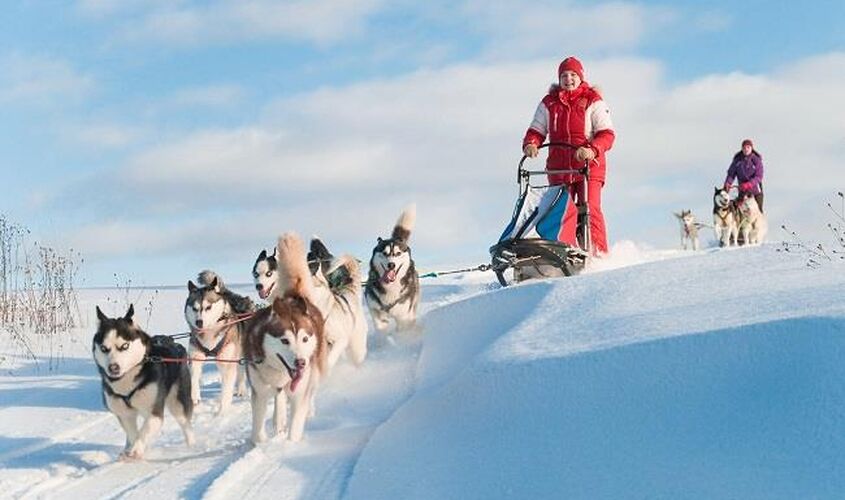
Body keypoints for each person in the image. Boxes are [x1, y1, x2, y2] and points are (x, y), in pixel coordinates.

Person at [522, 56, 615, 255]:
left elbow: (607, 134)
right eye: (564, 75)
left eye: (573, 75)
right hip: (559, 168)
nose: (569, 79)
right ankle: (562, 251)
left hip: (588, 166)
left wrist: (592, 149)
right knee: (559, 211)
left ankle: (598, 253)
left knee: (589, 208)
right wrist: (531, 143)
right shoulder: (549, 103)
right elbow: (536, 130)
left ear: (581, 77)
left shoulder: (592, 100)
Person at [724, 138, 764, 211]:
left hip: (755, 190)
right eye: (744, 148)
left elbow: (759, 176)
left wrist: (749, 184)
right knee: (739, 209)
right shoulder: (737, 161)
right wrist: (728, 183)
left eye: (748, 147)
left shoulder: (756, 160)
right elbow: (731, 174)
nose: (746, 149)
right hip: (742, 190)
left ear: (751, 148)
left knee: (758, 210)